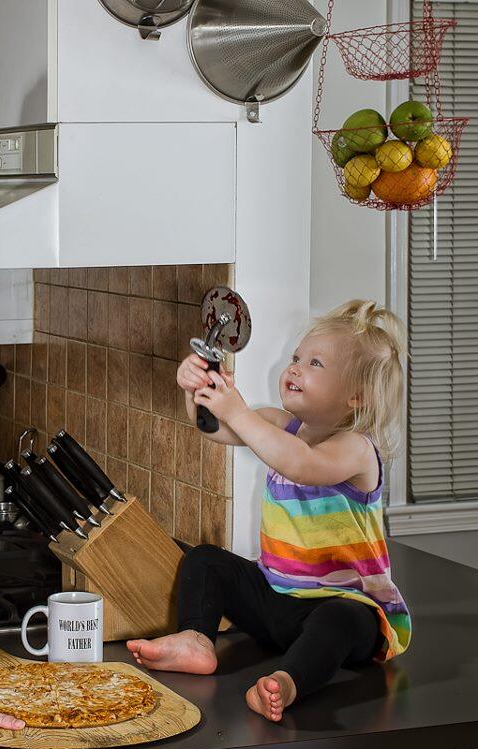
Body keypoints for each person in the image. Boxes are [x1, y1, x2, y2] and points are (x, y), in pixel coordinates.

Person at [127, 300, 411, 722]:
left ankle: (288, 682)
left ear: (356, 396)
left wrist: (238, 410)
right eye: (296, 357)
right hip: (276, 597)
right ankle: (195, 640)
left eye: (314, 363)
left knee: (339, 619)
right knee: (205, 559)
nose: (295, 367)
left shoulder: (356, 448)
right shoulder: (281, 425)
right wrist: (201, 392)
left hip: (343, 604)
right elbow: (216, 429)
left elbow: (301, 464)